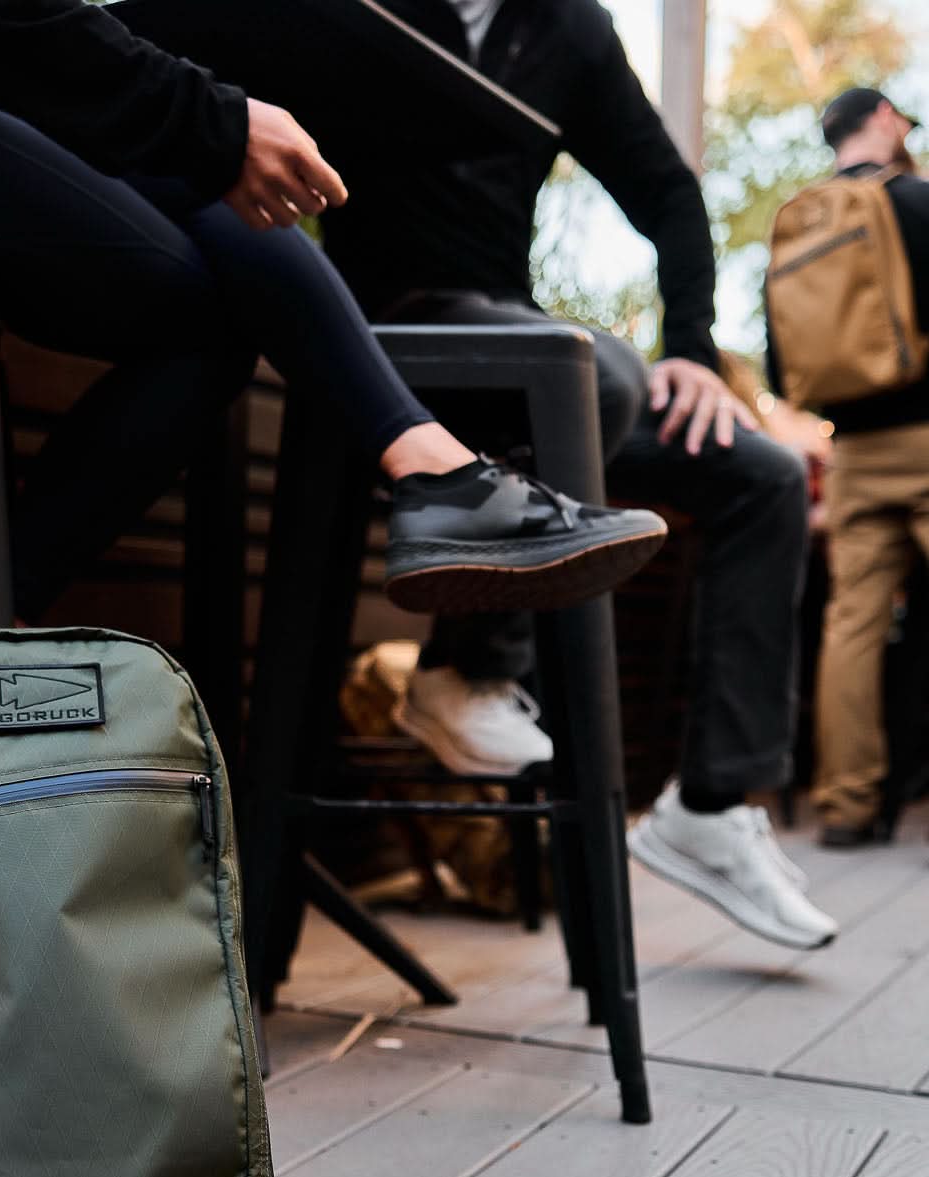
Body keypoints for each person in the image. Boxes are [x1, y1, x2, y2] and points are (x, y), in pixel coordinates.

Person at [0, 1, 666, 633]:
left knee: (205, 250)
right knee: (205, 263)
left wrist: (197, 126)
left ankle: (434, 471)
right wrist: (210, 120)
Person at [324, 0, 838, 950]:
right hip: (368, 337)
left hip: (513, 342)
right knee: (587, 373)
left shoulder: (565, 27)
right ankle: (465, 672)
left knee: (759, 476)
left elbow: (671, 197)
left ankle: (714, 804)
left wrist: (690, 345)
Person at [782, 89, 929, 847]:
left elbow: (783, 368)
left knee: (853, 628)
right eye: (902, 116)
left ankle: (844, 806)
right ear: (881, 119)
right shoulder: (918, 201)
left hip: (854, 453)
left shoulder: (800, 219)